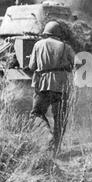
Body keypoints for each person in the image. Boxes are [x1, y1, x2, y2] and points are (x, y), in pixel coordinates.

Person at [27, 21, 76, 154]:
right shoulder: (66, 47)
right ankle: (56, 148)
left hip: (43, 84)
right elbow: (75, 64)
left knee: (37, 113)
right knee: (60, 117)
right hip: (62, 86)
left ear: (46, 33)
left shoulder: (38, 45)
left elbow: (32, 66)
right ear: (58, 34)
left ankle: (46, 136)